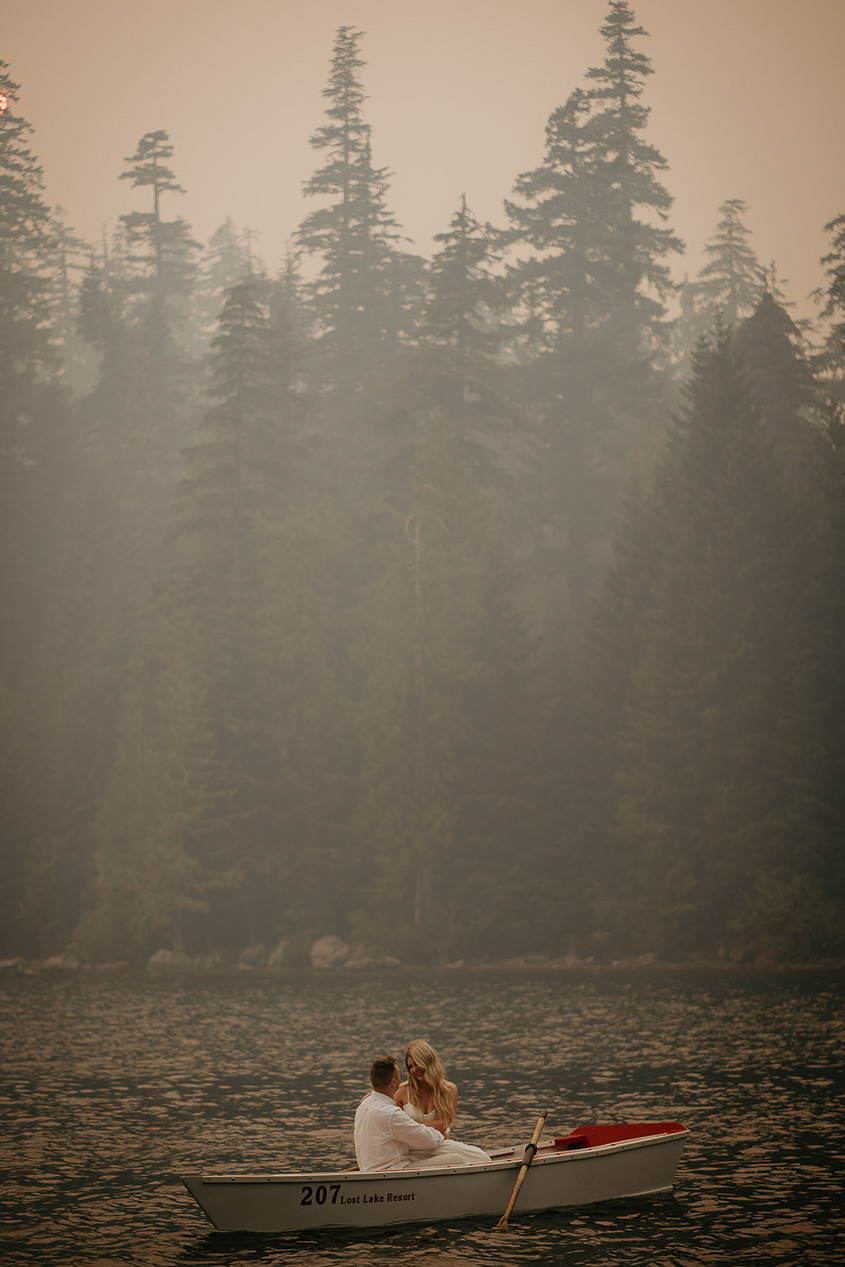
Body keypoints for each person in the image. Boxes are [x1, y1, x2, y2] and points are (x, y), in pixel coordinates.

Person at [394, 1039, 492, 1166]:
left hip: (438, 1145)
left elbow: (442, 1124)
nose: (414, 1070)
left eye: (416, 1064)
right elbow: (390, 1120)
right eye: (410, 1067)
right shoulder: (402, 1091)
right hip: (410, 1149)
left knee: (482, 1158)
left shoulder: (449, 1090)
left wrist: (410, 1127)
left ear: (428, 1061)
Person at [353, 1055, 445, 1171]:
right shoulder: (391, 1113)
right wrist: (441, 1136)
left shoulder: (363, 1105)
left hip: (368, 1168)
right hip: (392, 1170)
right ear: (393, 1082)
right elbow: (429, 1140)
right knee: (456, 1159)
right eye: (399, 1076)